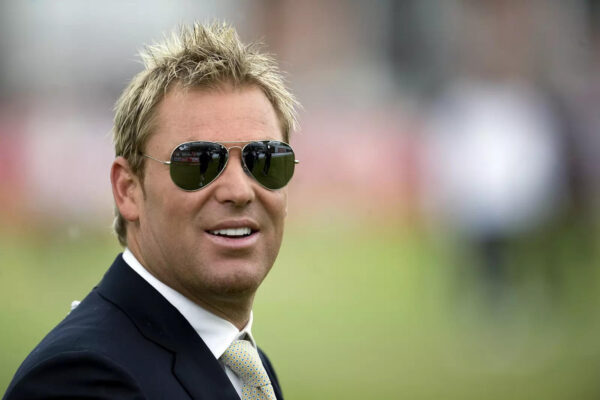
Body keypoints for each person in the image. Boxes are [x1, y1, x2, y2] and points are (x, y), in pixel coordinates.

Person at [3, 21, 299, 400]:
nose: (239, 191)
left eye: (265, 160)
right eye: (199, 161)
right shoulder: (84, 379)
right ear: (128, 190)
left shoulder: (247, 369)